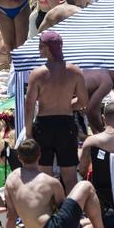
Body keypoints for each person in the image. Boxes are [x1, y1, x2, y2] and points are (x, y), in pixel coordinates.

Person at [4, 139, 114, 228]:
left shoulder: (10, 181)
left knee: (90, 224)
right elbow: (64, 212)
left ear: (19, 158)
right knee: (86, 186)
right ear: (39, 156)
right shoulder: (50, 182)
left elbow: (11, 217)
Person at [25, 31, 88, 194]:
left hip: (44, 125)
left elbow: (29, 105)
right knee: (70, 176)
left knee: (44, 175)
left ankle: (47, 210)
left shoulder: (38, 74)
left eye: (41, 46)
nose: (39, 49)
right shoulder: (74, 71)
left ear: (48, 48)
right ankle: (74, 211)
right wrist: (67, 106)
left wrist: (28, 132)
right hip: (66, 124)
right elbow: (83, 102)